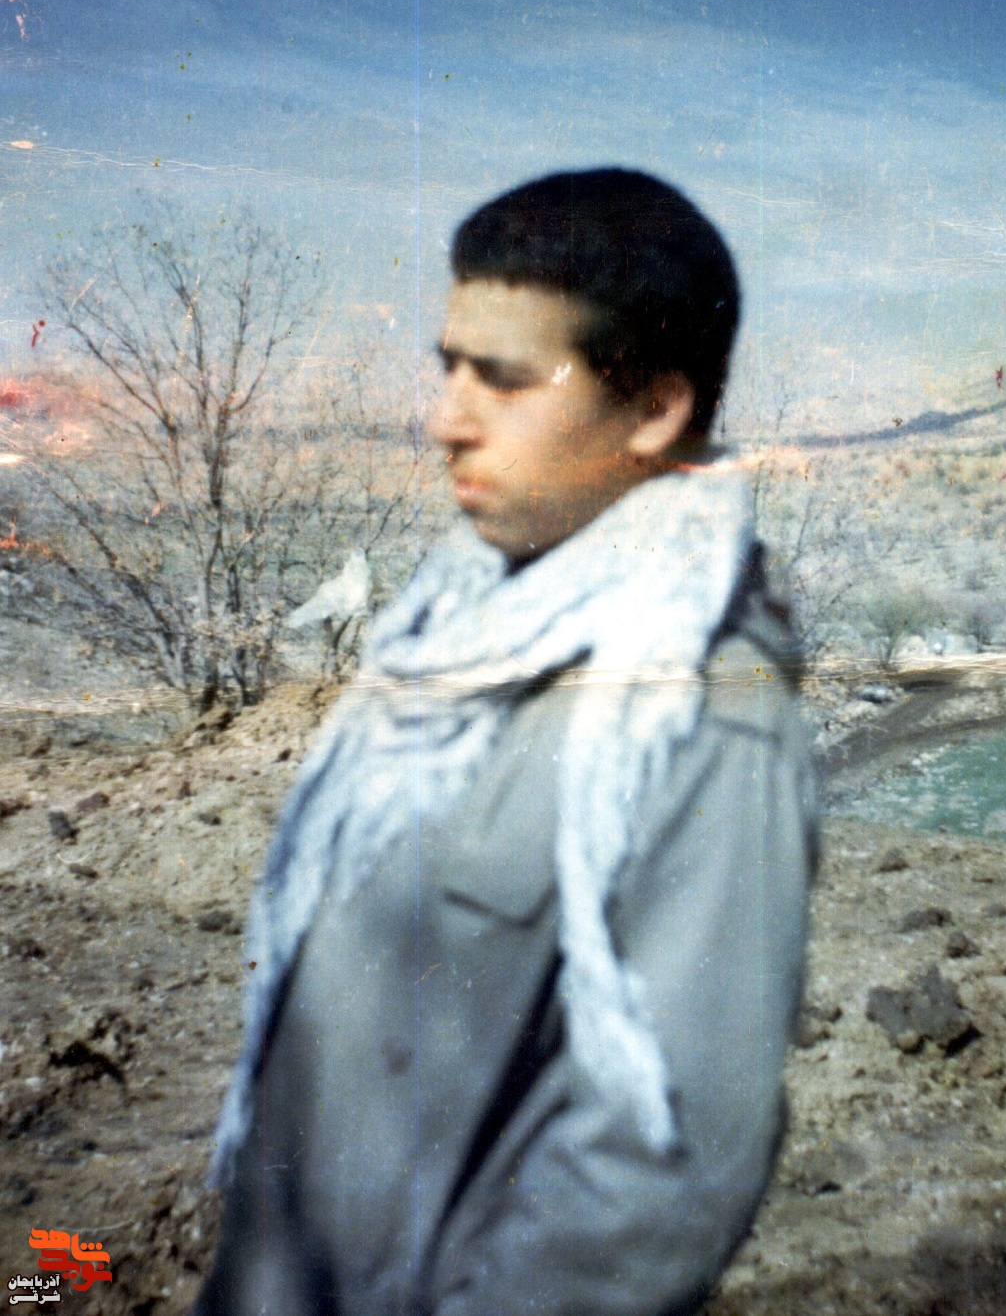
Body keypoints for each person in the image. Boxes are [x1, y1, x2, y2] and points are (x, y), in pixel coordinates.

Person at [194, 167, 819, 1316]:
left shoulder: (697, 705)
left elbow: (659, 1179)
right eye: (449, 368)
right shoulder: (460, 615)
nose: (446, 419)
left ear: (655, 410)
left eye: (506, 379)